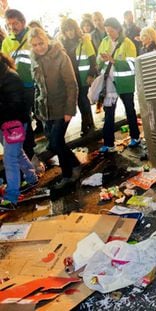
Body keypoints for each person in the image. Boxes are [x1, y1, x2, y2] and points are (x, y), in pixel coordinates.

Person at [29, 27, 81, 188]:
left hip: (61, 107)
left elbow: (71, 85)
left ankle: (67, 175)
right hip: (45, 110)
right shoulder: (35, 59)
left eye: (41, 43)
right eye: (35, 45)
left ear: (47, 40)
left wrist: (69, 110)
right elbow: (37, 85)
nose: (39, 47)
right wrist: (37, 108)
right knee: (54, 143)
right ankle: (75, 164)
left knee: (57, 142)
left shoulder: (60, 56)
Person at [97, 17, 141, 153]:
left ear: (118, 29)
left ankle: (135, 137)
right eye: (107, 31)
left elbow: (133, 65)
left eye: (111, 31)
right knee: (109, 113)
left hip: (124, 83)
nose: (109, 34)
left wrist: (114, 61)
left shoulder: (128, 43)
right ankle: (108, 143)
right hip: (109, 83)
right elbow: (99, 61)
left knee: (129, 110)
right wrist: (101, 60)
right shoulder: (104, 42)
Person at [0, 52, 38, 208]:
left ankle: (11, 197)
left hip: (14, 124)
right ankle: (31, 178)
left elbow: (15, 106)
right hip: (4, 123)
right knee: (17, 153)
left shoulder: (10, 77)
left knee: (10, 159)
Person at [2, 9, 36, 160]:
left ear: (23, 22)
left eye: (15, 23)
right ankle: (29, 149)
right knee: (24, 118)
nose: (12, 27)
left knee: (40, 116)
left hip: (35, 85)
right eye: (9, 25)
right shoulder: (7, 42)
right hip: (17, 88)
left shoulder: (33, 37)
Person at [60, 18, 97, 136]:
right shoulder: (62, 44)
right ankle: (87, 122)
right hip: (70, 76)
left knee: (82, 99)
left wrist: (91, 74)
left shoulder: (84, 40)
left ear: (76, 29)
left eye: (71, 29)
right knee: (78, 99)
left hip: (83, 75)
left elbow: (92, 57)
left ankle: (86, 123)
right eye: (67, 30)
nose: (70, 33)